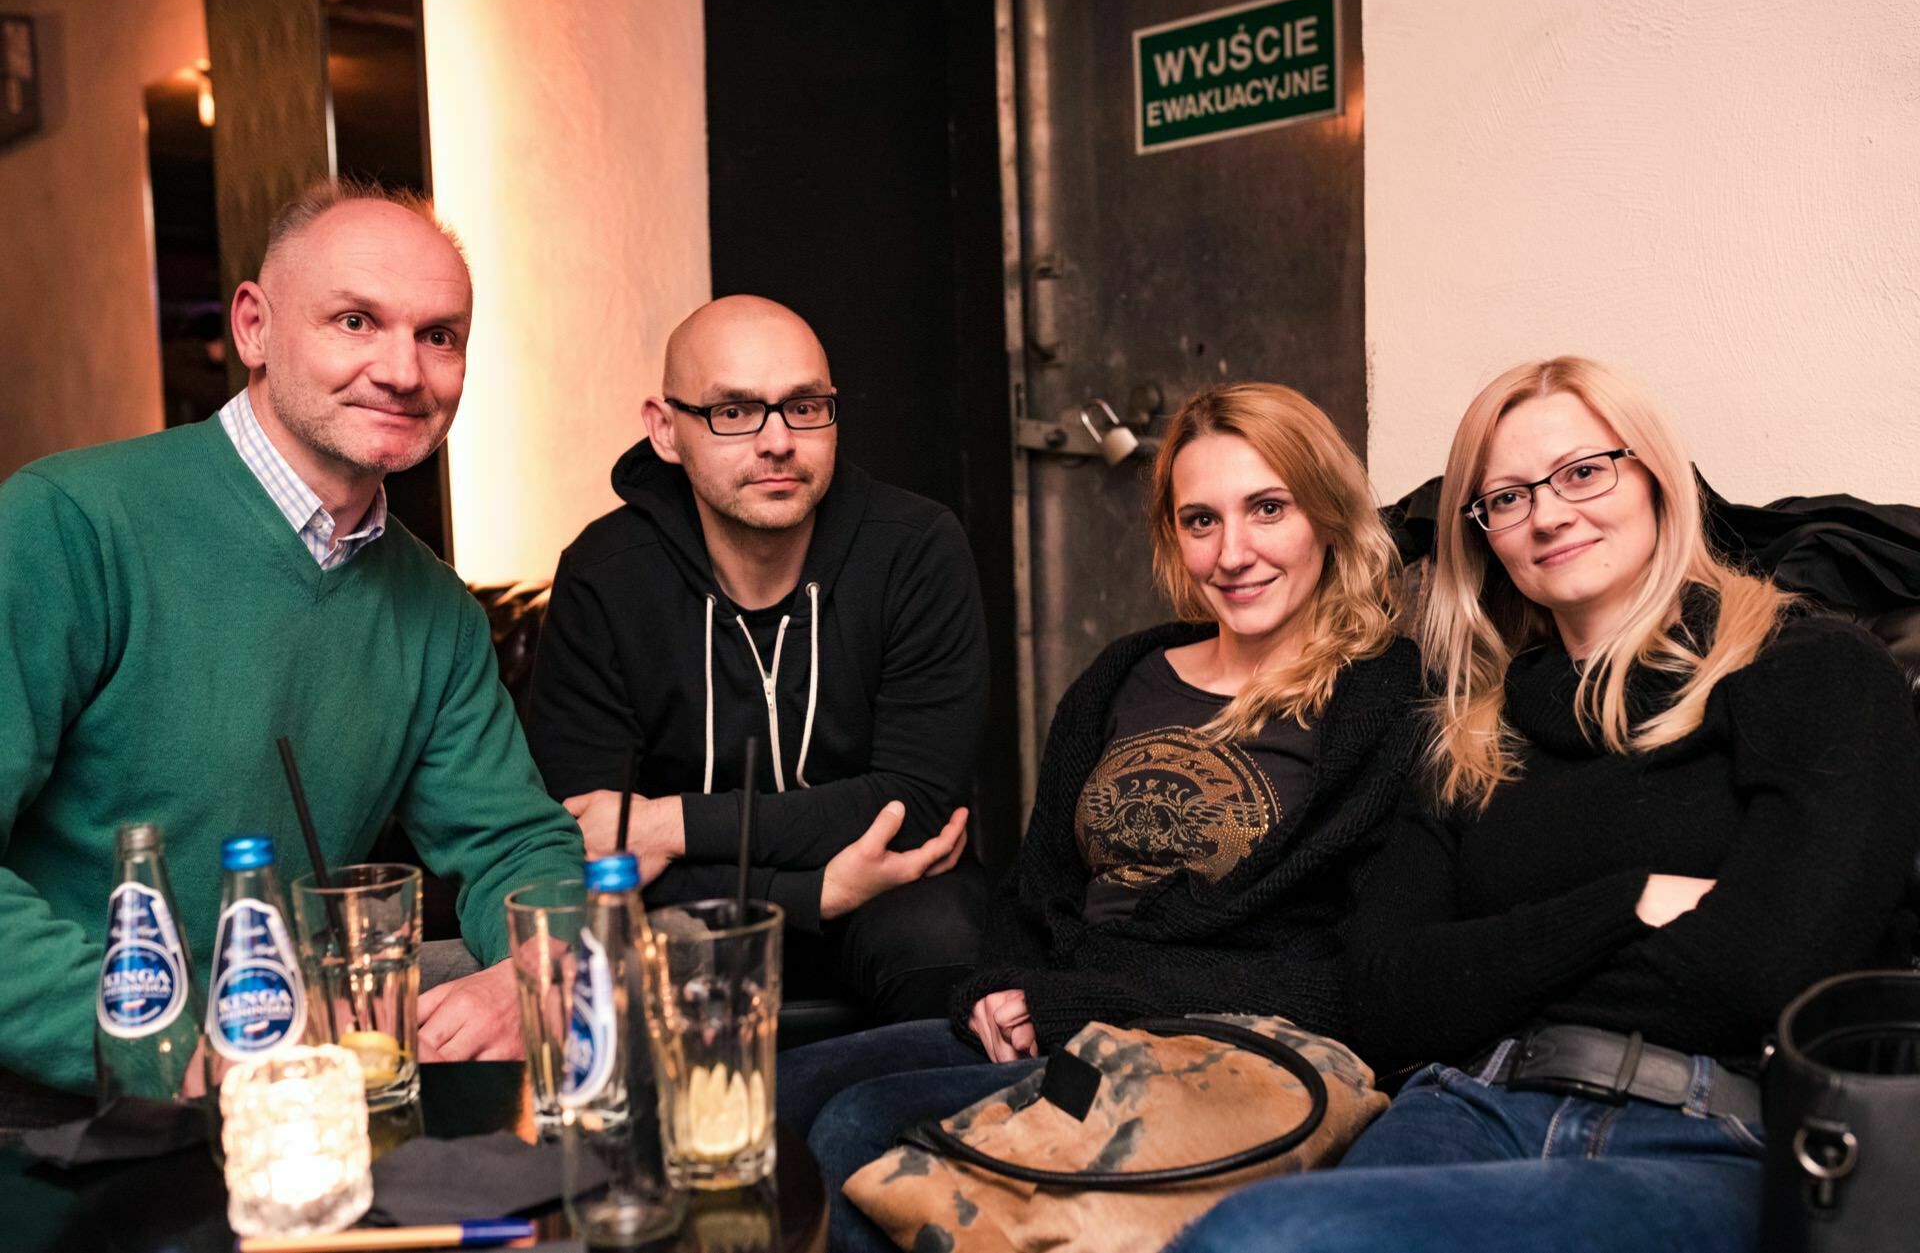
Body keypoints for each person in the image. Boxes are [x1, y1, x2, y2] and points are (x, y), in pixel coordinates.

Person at [1171, 358, 1920, 1252]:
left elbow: (1764, 970)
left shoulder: (1816, 674)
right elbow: (1384, 998)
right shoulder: (1467, 738)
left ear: (1656, 477)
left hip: (1704, 1134)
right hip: (1463, 1111)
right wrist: (1626, 904)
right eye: (1509, 497)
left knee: (1269, 1238)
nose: (1551, 514)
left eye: (1582, 471)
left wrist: (1490, 972)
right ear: (1486, 532)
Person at [784, 382, 1426, 1250]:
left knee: (860, 1127)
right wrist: (989, 990)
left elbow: (1339, 977)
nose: (1233, 552)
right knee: (775, 1099)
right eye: (1201, 520)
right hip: (1059, 1009)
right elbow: (1036, 887)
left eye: (1267, 509)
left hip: (1208, 1049)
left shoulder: (1382, 699)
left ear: (1327, 516)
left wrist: (1072, 1001)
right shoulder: (1127, 674)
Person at [0, 180, 587, 1122]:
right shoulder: (71, 524)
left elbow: (514, 839)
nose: (404, 369)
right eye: (356, 320)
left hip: (303, 1082)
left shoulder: (434, 608)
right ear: (254, 327)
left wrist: (532, 970)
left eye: (439, 335)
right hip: (57, 1099)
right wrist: (172, 1051)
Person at [524, 295, 983, 1025]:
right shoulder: (607, 574)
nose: (777, 440)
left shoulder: (914, 546)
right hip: (683, 910)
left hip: (889, 894)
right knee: (588, 947)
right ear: (665, 430)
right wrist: (813, 891)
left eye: (804, 407)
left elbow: (914, 805)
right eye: (734, 412)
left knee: (940, 940)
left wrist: (669, 824)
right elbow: (588, 835)